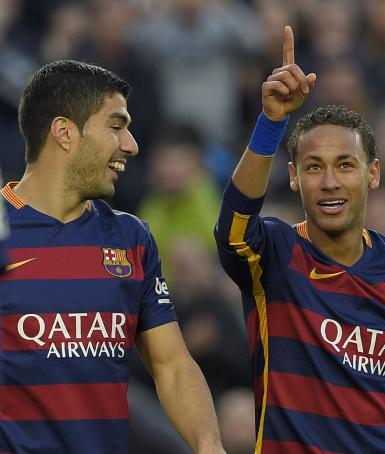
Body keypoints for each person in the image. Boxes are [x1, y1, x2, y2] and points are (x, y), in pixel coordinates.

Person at [214, 26, 385, 453]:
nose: (330, 182)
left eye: (346, 165)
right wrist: (272, 122)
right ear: (293, 177)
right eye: (313, 167)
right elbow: (231, 229)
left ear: (373, 173)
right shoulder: (275, 254)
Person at [0, 60, 225, 454]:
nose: (132, 145)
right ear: (65, 132)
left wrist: (210, 448)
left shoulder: (132, 238)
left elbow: (171, 366)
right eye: (116, 126)